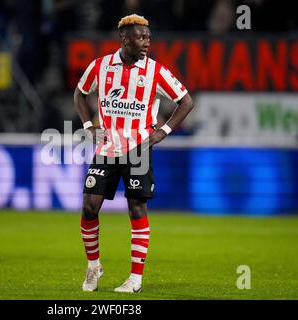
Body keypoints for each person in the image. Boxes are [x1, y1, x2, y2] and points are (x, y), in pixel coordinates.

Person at [74, 14, 194, 293]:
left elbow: (186, 101)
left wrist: (163, 130)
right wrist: (89, 124)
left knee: (136, 208)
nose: (147, 42)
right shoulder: (100, 66)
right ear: (124, 39)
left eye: (149, 37)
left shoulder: (156, 71)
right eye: (141, 37)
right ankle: (94, 266)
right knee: (89, 208)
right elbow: (79, 94)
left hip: (139, 149)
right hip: (106, 148)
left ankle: (135, 279)